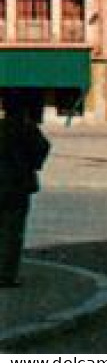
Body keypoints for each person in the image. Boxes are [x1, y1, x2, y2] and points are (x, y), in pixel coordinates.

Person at [0, 93, 50, 289]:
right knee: (13, 232)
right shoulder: (27, 129)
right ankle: (6, 274)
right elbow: (42, 149)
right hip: (18, 186)